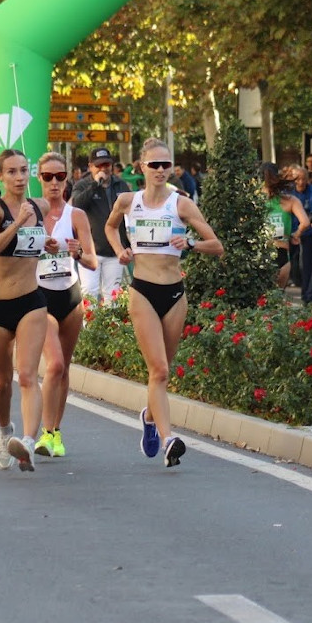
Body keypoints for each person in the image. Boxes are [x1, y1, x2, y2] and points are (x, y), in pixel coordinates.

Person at [104, 138, 223, 467]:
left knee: (162, 373)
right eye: (153, 165)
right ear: (141, 167)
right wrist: (119, 251)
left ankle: (149, 417)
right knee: (158, 369)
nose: (160, 170)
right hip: (142, 289)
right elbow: (110, 227)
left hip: (174, 295)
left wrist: (191, 243)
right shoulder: (128, 201)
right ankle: (170, 438)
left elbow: (217, 245)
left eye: (165, 165)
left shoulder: (181, 204)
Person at [0, 149, 53, 473]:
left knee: (26, 375)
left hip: (30, 300)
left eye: (24, 170)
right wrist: (19, 223)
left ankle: (26, 441)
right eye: (12, 172)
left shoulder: (42, 206)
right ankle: (5, 431)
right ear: (1, 176)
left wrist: (52, 244)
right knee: (1, 382)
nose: (20, 177)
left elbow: (40, 243)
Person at [32, 152, 98, 459]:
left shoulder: (76, 216)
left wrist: (77, 252)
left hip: (70, 297)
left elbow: (93, 262)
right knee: (54, 364)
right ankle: (45, 434)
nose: (54, 183)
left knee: (64, 368)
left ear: (67, 179)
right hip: (41, 297)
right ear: (39, 178)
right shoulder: (29, 213)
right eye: (48, 177)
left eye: (60, 177)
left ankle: (56, 432)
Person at [71, 147, 130, 303]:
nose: (103, 169)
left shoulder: (120, 185)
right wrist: (96, 184)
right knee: (90, 292)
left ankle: (112, 327)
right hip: (91, 251)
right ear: (91, 166)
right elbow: (77, 204)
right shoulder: (82, 185)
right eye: (99, 165)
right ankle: (90, 327)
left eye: (107, 165)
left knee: (113, 295)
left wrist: (127, 245)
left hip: (114, 250)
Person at [261, 162, 310, 290]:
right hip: (281, 251)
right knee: (277, 300)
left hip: (260, 252)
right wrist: (296, 235)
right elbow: (305, 222)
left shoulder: (254, 201)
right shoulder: (290, 200)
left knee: (260, 300)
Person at [289, 164, 312, 292]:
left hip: (308, 231)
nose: (301, 182)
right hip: (291, 230)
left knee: (308, 261)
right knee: (291, 260)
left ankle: (307, 289)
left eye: (303, 179)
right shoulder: (288, 191)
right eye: (297, 179)